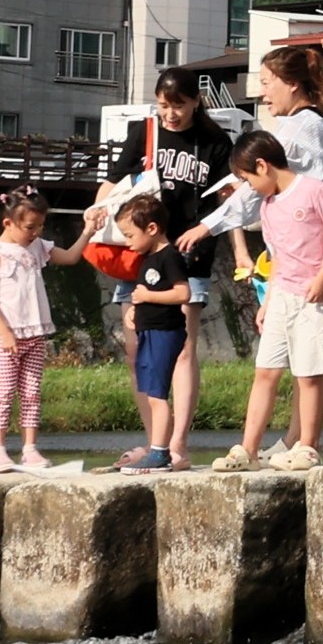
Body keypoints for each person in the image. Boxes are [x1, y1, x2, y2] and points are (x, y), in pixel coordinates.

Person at [179, 47, 323, 370]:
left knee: (303, 369)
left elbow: (257, 188)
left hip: (309, 265)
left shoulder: (300, 128)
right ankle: (298, 425)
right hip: (303, 262)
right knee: (300, 369)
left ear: (292, 83)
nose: (261, 94)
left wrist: (208, 225)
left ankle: (301, 425)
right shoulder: (311, 121)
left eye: (265, 83)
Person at [107, 70, 238, 458]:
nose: (171, 114)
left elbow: (229, 202)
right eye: (164, 105)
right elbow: (113, 181)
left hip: (187, 256)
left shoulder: (215, 142)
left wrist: (240, 251)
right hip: (140, 256)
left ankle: (177, 444)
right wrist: (95, 216)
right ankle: (155, 442)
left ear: (196, 101)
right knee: (138, 350)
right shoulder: (144, 131)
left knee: (181, 348)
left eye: (178, 105)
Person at [215, 126, 323, 470]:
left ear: (262, 166)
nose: (249, 187)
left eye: (247, 179)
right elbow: (278, 258)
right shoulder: (269, 206)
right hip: (283, 297)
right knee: (266, 372)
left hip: (314, 298)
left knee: (309, 374)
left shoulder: (314, 190)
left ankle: (308, 445)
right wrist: (268, 300)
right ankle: (248, 449)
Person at [0, 186, 73, 473]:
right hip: (6, 336)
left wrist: (89, 232)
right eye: (31, 227)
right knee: (3, 393)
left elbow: (69, 257)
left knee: (31, 392)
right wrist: (4, 332)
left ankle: (30, 448)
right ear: (8, 223)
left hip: (35, 333)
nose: (36, 232)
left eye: (41, 226)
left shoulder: (38, 246)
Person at [112, 195, 194, 472]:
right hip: (149, 331)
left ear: (152, 229)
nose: (127, 242)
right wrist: (138, 309)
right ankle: (159, 448)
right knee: (150, 393)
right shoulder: (147, 259)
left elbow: (183, 292)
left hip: (165, 333)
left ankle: (161, 451)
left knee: (158, 395)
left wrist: (148, 297)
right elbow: (147, 294)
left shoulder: (170, 257)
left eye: (129, 235)